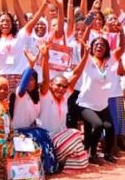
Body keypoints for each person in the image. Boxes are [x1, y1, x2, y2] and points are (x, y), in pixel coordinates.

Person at [37, 44, 89, 172]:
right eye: (58, 85)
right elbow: (45, 78)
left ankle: (65, 165)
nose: (61, 88)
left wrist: (86, 56)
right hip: (48, 140)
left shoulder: (65, 95)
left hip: (61, 138)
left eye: (64, 86)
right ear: (51, 85)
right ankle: (64, 164)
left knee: (78, 144)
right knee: (76, 134)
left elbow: (76, 73)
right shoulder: (45, 95)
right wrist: (45, 57)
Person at [71, 36, 118, 164]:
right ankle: (92, 154)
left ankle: (108, 154)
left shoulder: (109, 62)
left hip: (102, 104)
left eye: (102, 45)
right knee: (97, 125)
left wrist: (121, 34)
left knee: (109, 127)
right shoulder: (88, 60)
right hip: (85, 103)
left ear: (106, 48)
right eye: (96, 44)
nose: (99, 46)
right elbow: (82, 50)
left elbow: (122, 48)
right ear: (91, 47)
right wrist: (85, 52)